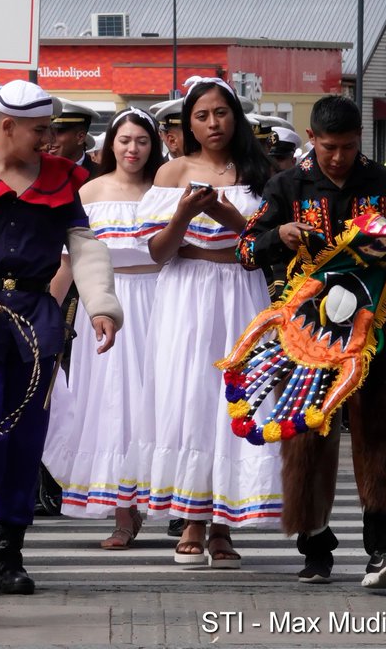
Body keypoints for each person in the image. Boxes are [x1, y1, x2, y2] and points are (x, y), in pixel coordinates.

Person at [238, 94, 386, 587]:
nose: (338, 157)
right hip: (307, 334)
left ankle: (382, 550)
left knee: (385, 430)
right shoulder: (287, 185)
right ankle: (314, 544)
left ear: (359, 141)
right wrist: (277, 235)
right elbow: (245, 249)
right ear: (311, 139)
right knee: (307, 434)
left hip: (377, 329)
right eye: (329, 147)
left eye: (347, 147)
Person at [0, 80, 122, 596]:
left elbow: (84, 245)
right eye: (41, 130)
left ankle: (9, 550)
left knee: (24, 435)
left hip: (37, 318)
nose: (50, 140)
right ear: (7, 125)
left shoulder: (64, 177)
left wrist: (102, 305)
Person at [138, 76, 280, 570]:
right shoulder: (172, 172)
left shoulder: (259, 171)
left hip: (240, 290)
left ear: (235, 117)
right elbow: (156, 251)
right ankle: (192, 518)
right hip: (185, 292)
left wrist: (225, 217)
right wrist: (182, 216)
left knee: (238, 397)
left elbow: (269, 244)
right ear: (187, 124)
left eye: (221, 113)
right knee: (189, 396)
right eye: (201, 116)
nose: (213, 123)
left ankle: (224, 525)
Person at [43, 108, 164, 549]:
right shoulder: (88, 191)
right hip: (105, 307)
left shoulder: (165, 189)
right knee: (114, 407)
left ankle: (172, 503)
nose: (132, 149)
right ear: (110, 143)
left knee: (158, 405)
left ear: (154, 146)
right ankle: (122, 514)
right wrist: (46, 312)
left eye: (142, 141)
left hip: (161, 304)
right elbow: (70, 263)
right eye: (125, 140)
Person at [48, 98, 100, 176]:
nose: (49, 138)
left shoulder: (102, 175)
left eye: (59, 132)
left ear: (81, 137)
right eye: (48, 131)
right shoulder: (34, 172)